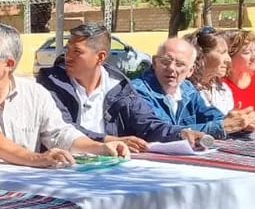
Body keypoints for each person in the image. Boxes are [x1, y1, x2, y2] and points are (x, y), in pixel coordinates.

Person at [0, 23, 131, 167]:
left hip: (28, 191)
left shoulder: (36, 94)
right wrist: (37, 158)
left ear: (9, 63)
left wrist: (101, 148)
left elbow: (60, 133)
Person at [39, 21, 204, 151]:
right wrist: (109, 141)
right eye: (67, 50)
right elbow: (63, 129)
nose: (67, 56)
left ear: (100, 57)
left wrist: (180, 133)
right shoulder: (51, 82)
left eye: (77, 52)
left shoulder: (119, 86)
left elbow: (147, 124)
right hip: (65, 164)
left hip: (111, 164)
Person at [133, 38, 255, 138]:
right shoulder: (136, 91)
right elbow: (157, 131)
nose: (171, 68)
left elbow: (210, 116)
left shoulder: (187, 89)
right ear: (155, 62)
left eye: (180, 64)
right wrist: (223, 126)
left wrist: (240, 123)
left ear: (190, 70)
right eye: (165, 61)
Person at [188, 28, 235, 114]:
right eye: (222, 52)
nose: (228, 59)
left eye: (228, 53)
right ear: (201, 55)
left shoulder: (223, 90)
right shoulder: (185, 91)